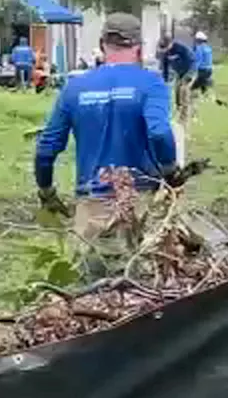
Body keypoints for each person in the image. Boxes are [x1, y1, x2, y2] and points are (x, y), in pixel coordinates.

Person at [35, 13, 177, 254]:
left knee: (90, 283)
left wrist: (46, 190)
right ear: (139, 48)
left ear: (102, 45)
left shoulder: (75, 87)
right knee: (145, 281)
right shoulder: (151, 84)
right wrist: (170, 172)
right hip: (140, 201)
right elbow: (160, 133)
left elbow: (46, 148)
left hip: (91, 201)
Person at [158, 33, 197, 125]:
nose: (165, 50)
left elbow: (192, 61)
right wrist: (165, 81)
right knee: (177, 93)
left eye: (166, 47)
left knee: (183, 92)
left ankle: (184, 118)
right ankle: (178, 113)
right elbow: (165, 67)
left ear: (171, 43)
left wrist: (189, 76)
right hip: (179, 73)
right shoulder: (165, 53)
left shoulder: (181, 48)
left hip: (189, 72)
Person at [191, 30, 214, 98]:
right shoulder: (208, 48)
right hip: (209, 70)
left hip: (202, 70)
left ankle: (194, 94)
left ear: (198, 40)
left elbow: (198, 60)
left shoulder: (199, 48)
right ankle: (205, 94)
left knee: (193, 86)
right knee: (203, 83)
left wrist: (194, 69)